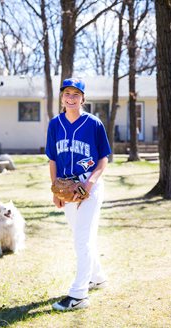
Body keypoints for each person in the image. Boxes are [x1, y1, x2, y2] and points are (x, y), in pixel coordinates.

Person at [45, 78, 111, 311]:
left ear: (83, 98)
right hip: (66, 187)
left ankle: (79, 294)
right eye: (67, 94)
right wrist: (55, 189)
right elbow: (53, 159)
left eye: (76, 94)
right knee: (83, 237)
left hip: (89, 185)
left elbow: (103, 159)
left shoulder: (94, 124)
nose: (71, 98)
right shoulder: (55, 124)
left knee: (81, 239)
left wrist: (90, 185)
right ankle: (97, 276)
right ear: (62, 98)